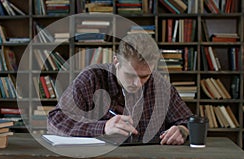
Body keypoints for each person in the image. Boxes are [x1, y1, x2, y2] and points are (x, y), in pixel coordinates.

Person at [48, 33, 193, 145]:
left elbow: (188, 120)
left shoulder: (160, 86)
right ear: (116, 62)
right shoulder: (92, 78)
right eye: (130, 75)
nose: (137, 83)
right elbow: (56, 120)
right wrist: (103, 127)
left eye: (144, 76)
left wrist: (183, 130)